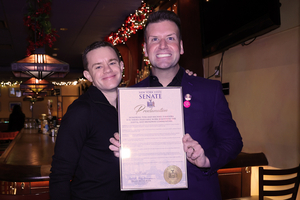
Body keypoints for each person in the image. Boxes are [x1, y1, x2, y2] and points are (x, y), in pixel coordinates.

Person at [109, 10, 243, 200]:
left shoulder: (209, 91)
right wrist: (123, 149)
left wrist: (206, 160)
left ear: (180, 47)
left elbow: (233, 142)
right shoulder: (129, 98)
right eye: (154, 39)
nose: (162, 45)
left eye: (170, 38)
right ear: (145, 50)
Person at [49, 41, 130, 200]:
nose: (107, 69)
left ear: (121, 66)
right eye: (98, 66)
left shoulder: (133, 106)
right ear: (88, 75)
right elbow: (60, 174)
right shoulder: (81, 111)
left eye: (112, 62)